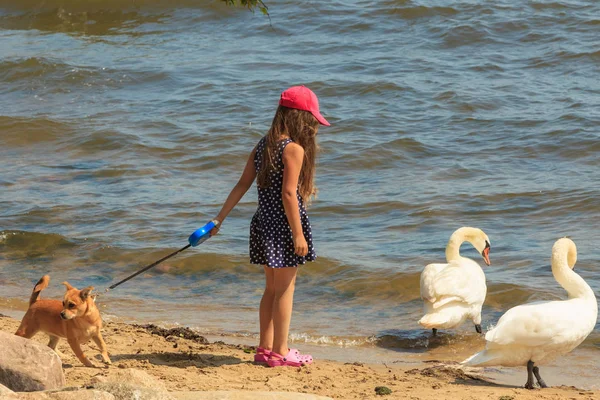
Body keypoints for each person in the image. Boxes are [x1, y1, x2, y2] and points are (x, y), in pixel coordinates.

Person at [211, 85, 330, 367]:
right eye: (312, 119)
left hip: (263, 223)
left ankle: (265, 349)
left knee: (270, 290)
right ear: (301, 118)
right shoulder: (294, 149)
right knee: (285, 290)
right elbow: (289, 194)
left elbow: (242, 184)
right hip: (285, 227)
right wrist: (298, 233)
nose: (314, 126)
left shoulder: (264, 144)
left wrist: (219, 219)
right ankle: (281, 351)